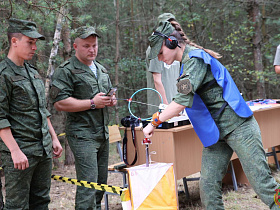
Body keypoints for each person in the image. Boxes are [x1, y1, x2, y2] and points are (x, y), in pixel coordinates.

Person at [143, 20, 280, 209]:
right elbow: (182, 101)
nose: (159, 58)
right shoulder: (186, 65)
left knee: (263, 185)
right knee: (207, 188)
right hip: (217, 134)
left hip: (239, 127)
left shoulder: (195, 61)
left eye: (160, 52)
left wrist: (154, 122)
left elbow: (180, 102)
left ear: (171, 42)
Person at [50, 26, 117, 210]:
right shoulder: (66, 70)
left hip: (102, 133)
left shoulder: (101, 69)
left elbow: (106, 96)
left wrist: (110, 100)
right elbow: (59, 103)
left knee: (100, 185)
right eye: (86, 45)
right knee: (88, 186)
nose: (92, 49)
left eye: (94, 45)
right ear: (75, 46)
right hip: (82, 135)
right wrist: (92, 103)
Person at [0, 18, 63, 209]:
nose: (34, 47)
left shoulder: (32, 71)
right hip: (21, 153)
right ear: (14, 41)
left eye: (35, 43)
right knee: (17, 206)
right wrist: (15, 151)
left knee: (41, 202)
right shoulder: (3, 74)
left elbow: (41, 109)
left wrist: (53, 137)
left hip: (42, 150)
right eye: (30, 42)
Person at [146, 13, 180, 114]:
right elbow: (157, 81)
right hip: (162, 109)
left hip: (176, 107)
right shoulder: (155, 49)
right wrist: (167, 107)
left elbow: (180, 79)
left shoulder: (176, 48)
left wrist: (182, 104)